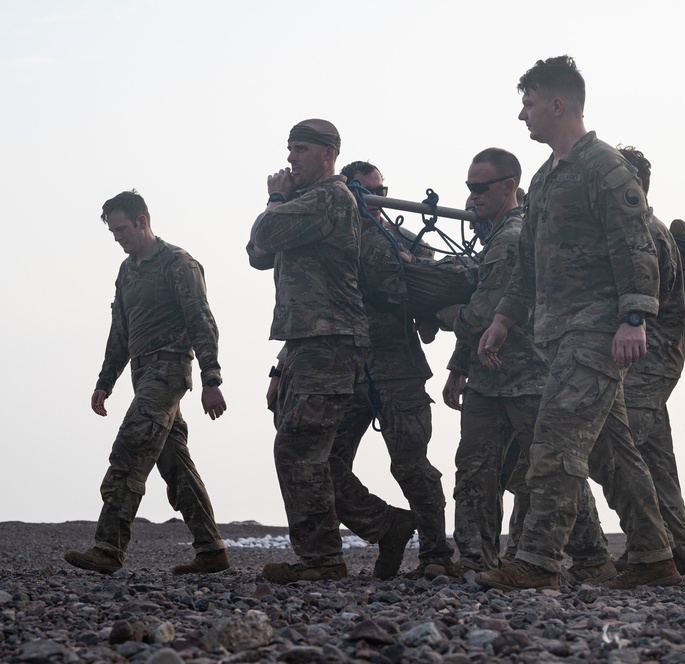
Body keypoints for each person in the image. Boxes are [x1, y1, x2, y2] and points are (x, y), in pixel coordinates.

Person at [476, 56, 678, 590]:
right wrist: (502, 318)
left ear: (557, 105)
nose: (523, 115)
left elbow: (636, 245)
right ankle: (655, 558)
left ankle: (538, 561)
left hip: (598, 330)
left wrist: (634, 316)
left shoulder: (604, 167)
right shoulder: (544, 178)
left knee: (555, 440)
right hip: (558, 332)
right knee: (613, 452)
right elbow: (527, 261)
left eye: (530, 103)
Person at [437, 149, 614, 583]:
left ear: (509, 185)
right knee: (475, 468)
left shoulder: (515, 236)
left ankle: (591, 556)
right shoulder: (496, 237)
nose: (473, 197)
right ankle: (476, 558)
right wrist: (459, 365)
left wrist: (441, 313)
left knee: (548, 468)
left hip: (527, 377)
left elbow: (484, 312)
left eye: (481, 188)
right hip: (487, 375)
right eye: (469, 188)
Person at [65, 190, 229, 575]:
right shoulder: (126, 271)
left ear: (142, 221)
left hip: (168, 370)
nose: (118, 237)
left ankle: (108, 548)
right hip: (142, 373)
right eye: (112, 231)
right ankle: (211, 550)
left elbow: (201, 321)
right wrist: (105, 381)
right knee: (176, 466)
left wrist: (211, 378)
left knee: (130, 449)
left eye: (121, 228)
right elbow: (119, 331)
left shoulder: (178, 264)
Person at [247, 119, 373, 583]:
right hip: (306, 341)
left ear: (328, 154)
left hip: (330, 341)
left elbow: (263, 235)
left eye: (300, 150)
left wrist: (276, 199)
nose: (291, 159)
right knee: (307, 450)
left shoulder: (329, 197)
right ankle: (382, 529)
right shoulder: (305, 201)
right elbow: (258, 253)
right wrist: (280, 203)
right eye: (289, 149)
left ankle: (322, 560)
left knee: (299, 449)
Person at [333, 160, 455, 579]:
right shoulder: (330, 242)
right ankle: (387, 526)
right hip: (345, 373)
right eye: (365, 192)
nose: (375, 201)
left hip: (398, 371)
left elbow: (435, 290)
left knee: (410, 464)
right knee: (322, 463)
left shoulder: (406, 239)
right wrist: (281, 370)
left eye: (380, 191)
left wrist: (430, 313)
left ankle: (436, 554)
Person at [607, 146, 685, 579]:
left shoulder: (645, 232)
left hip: (648, 360)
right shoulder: (640, 229)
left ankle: (647, 549)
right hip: (644, 361)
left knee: (618, 449)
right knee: (654, 462)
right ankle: (684, 553)